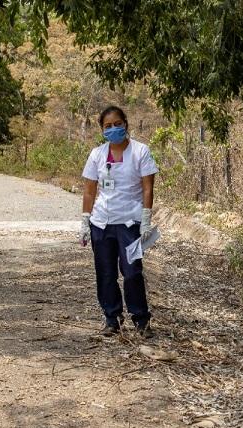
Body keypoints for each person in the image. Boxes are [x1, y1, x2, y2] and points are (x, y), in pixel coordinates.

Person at [79, 105, 159, 338]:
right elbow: (89, 191)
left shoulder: (140, 152)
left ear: (126, 123)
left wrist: (145, 218)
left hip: (130, 223)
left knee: (132, 271)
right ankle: (112, 319)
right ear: (102, 130)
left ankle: (141, 320)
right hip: (102, 223)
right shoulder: (97, 155)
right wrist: (85, 221)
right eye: (108, 126)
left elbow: (147, 188)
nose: (113, 129)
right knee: (105, 273)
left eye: (117, 124)